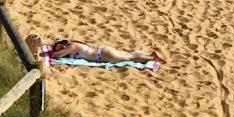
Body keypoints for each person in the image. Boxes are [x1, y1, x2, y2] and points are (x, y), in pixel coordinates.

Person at [26, 34, 165, 64]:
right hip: (102, 51)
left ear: (63, 44)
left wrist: (50, 49)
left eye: (60, 46)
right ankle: (150, 54)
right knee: (127, 55)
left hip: (102, 55)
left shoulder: (71, 47)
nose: (60, 48)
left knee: (130, 57)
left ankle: (152, 57)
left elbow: (55, 56)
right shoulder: (73, 43)